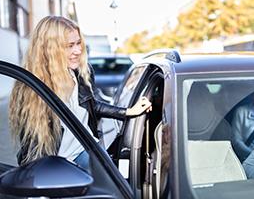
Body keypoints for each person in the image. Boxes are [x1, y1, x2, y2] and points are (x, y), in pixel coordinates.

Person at [9, 15, 152, 168]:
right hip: (57, 163)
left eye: (78, 43)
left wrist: (128, 112)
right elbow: (34, 146)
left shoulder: (81, 73)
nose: (78, 51)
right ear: (49, 49)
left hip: (86, 151)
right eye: (70, 46)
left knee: (115, 185)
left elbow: (92, 105)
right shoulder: (32, 87)